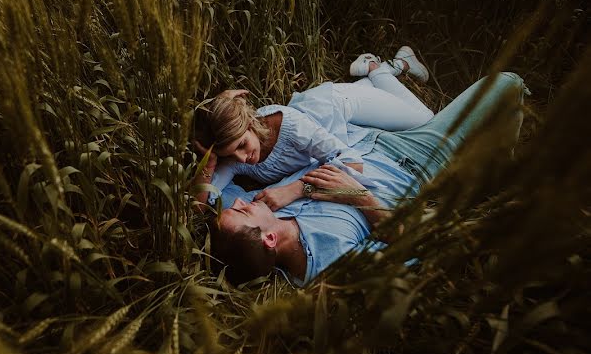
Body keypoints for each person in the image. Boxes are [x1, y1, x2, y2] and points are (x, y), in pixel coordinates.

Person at [209, 72, 528, 286]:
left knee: (372, 103)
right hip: (410, 160)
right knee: (506, 83)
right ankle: (501, 165)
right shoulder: (330, 259)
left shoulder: (259, 210)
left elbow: (209, 197)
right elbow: (410, 244)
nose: (240, 200)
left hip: (351, 135)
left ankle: (379, 72)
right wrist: (357, 195)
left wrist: (209, 153)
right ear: (269, 240)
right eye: (242, 210)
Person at [192, 47, 433, 208]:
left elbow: (352, 162)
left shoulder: (290, 126)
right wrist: (210, 163)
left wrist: (296, 189)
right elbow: (200, 205)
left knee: (424, 118)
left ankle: (383, 66)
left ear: (249, 123)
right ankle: (371, 82)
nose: (242, 159)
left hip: (340, 104)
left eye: (242, 145)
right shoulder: (233, 156)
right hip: (326, 120)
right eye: (230, 155)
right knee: (390, 106)